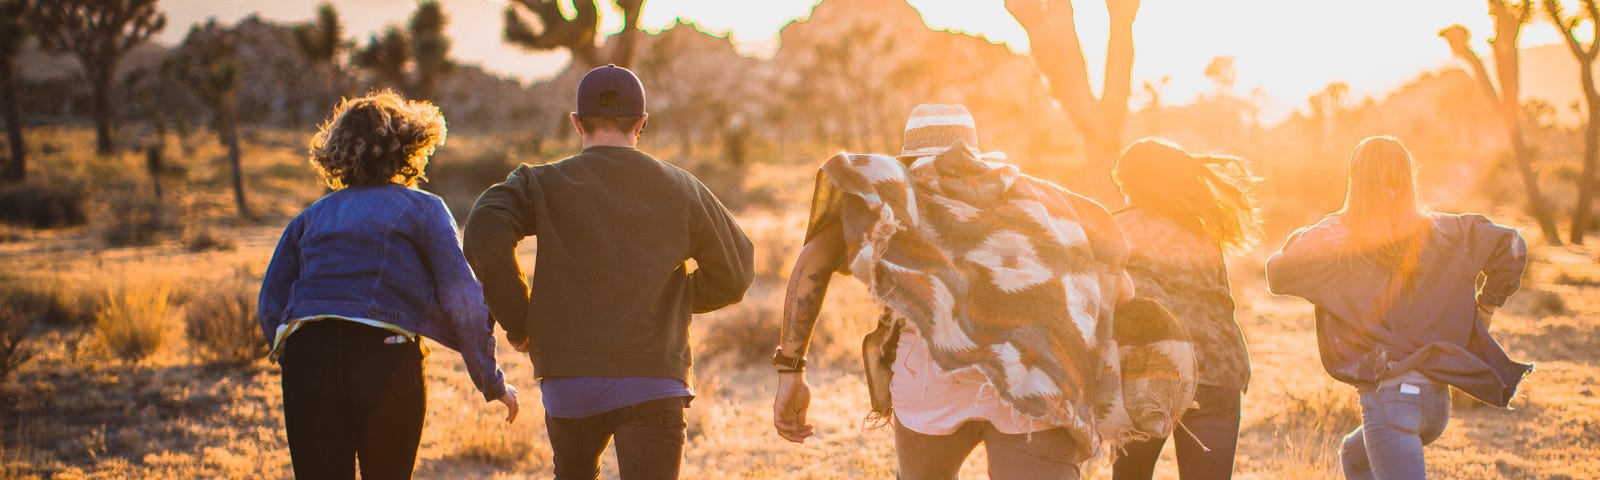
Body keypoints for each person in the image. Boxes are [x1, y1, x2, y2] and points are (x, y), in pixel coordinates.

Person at [772, 104, 1141, 479]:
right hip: (1033, 373)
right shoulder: (1036, 201)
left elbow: (814, 256)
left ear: (908, 155)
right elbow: (1123, 288)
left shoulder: (897, 194)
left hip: (931, 376)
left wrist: (791, 368)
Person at [462, 64, 755, 480]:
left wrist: (519, 320)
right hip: (655, 379)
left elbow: (484, 226)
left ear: (577, 122)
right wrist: (674, 297)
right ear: (642, 122)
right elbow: (738, 269)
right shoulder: (681, 186)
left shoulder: (540, 183)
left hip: (568, 382)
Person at [258, 90, 519, 480]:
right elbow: (464, 300)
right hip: (385, 357)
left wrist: (295, 353)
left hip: (307, 357)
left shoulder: (309, 217)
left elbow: (270, 303)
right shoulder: (424, 208)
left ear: (337, 151)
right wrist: (491, 380)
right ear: (409, 146)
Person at [1266, 136, 1532, 480]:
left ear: (1356, 182)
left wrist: (1319, 226)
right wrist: (1486, 309)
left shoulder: (1341, 234)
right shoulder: (1443, 229)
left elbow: (1278, 272)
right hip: (1436, 402)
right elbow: (1512, 243)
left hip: (1392, 401)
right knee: (1354, 455)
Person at [1110, 139, 1261, 479]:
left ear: (1130, 182)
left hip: (1151, 372)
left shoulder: (1116, 227)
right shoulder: (1204, 231)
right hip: (1220, 370)